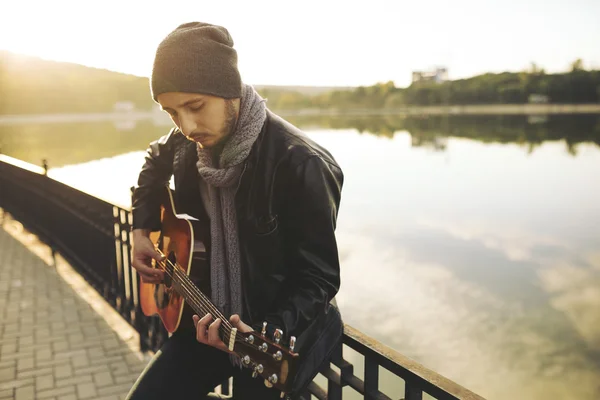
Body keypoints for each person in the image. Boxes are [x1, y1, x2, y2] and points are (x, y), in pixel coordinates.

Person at [126, 21, 344, 400]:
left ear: (228, 90)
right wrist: (141, 230)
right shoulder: (186, 145)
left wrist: (263, 330)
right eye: (172, 113)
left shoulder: (301, 164)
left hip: (268, 337)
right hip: (206, 315)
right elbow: (153, 160)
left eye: (195, 106)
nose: (187, 125)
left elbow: (318, 279)